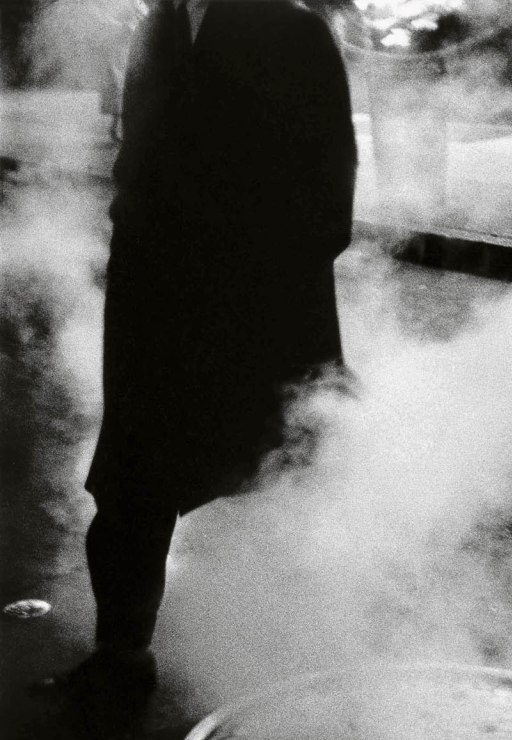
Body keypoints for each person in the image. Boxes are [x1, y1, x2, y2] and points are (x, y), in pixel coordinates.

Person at [52, 0, 357, 692]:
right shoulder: (157, 24)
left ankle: (304, 653)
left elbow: (329, 179)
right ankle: (121, 656)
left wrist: (268, 283)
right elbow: (140, 150)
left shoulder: (293, 29)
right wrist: (125, 227)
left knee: (276, 471)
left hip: (250, 303)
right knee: (132, 482)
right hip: (153, 303)